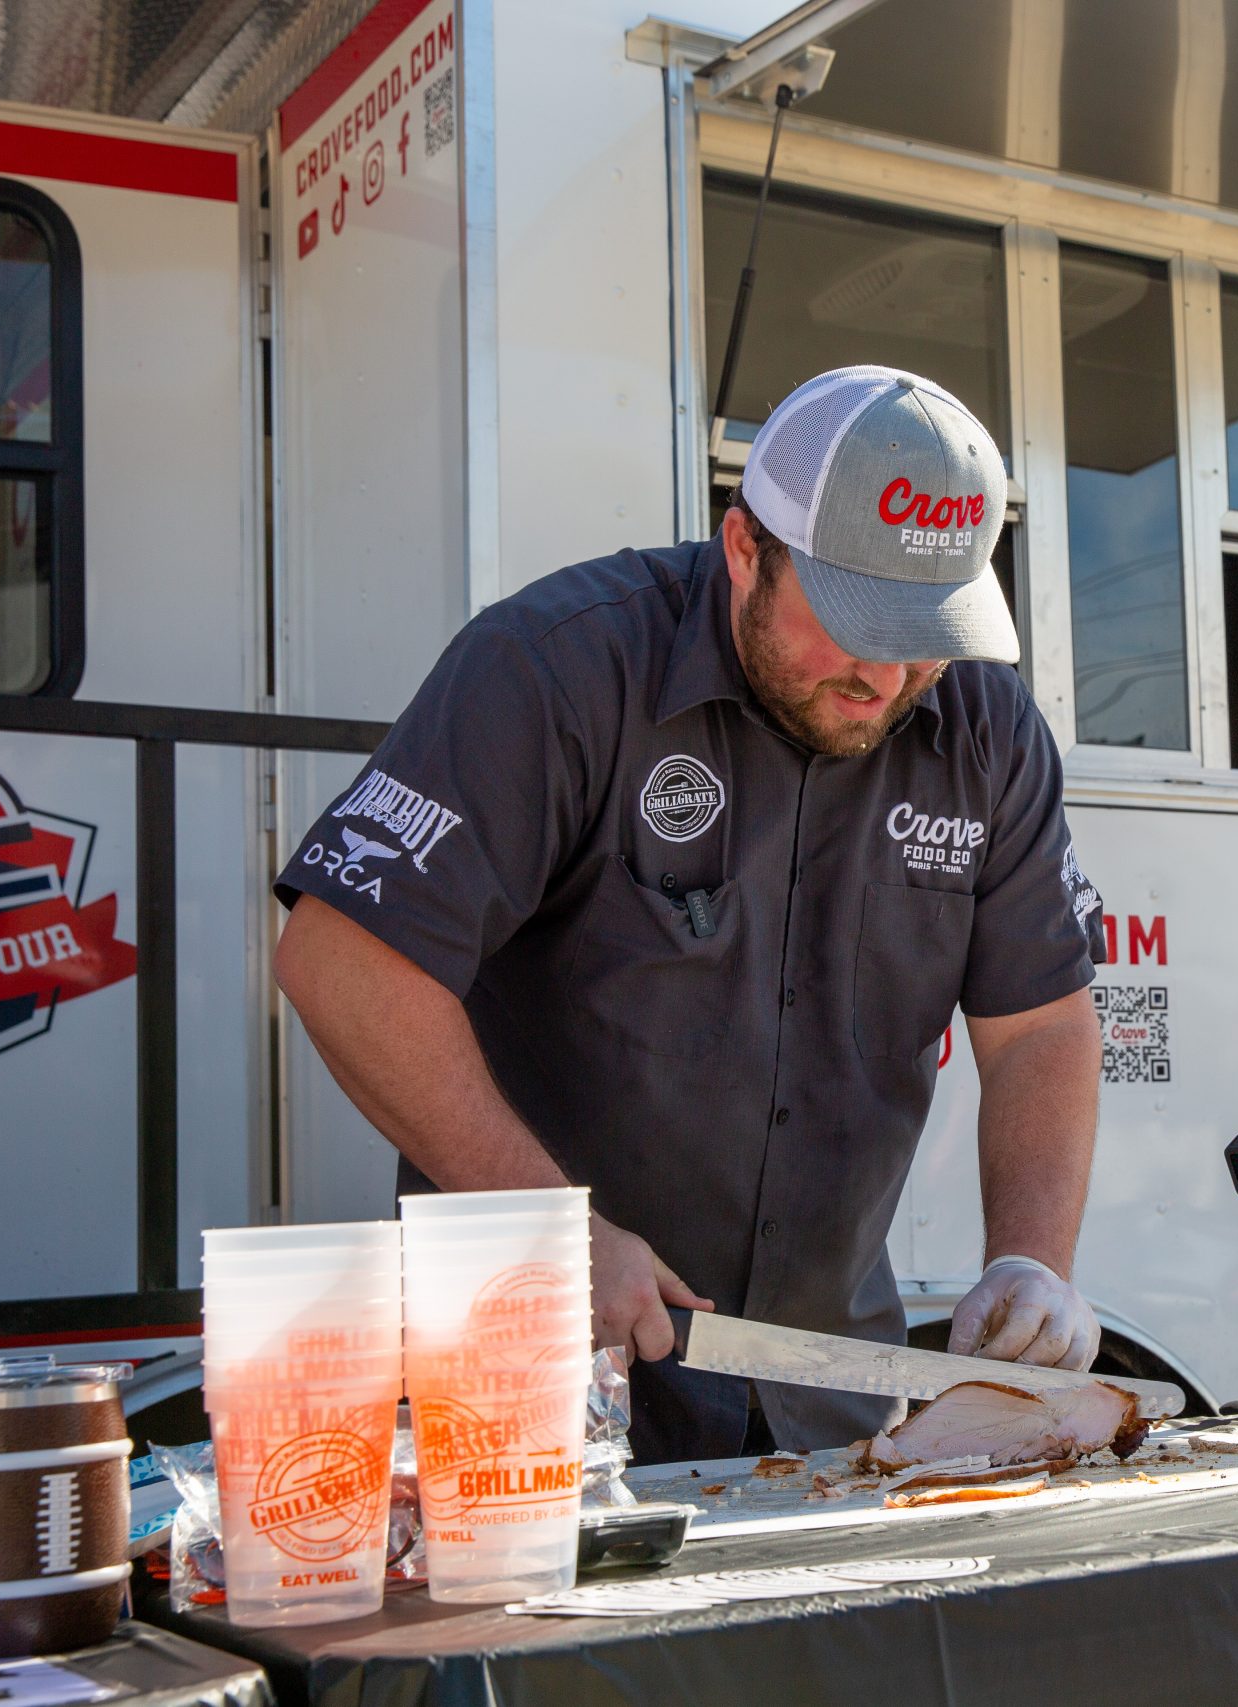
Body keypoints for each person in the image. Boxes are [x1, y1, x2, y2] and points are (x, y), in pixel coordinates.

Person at [271, 366, 1107, 1460]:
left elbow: (1041, 1021)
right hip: (534, 1376)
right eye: (855, 621)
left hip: (825, 1390)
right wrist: (551, 1228)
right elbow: (342, 959)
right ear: (745, 549)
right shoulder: (557, 667)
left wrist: (1032, 1261)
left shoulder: (987, 735)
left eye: (927, 633)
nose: (888, 673)